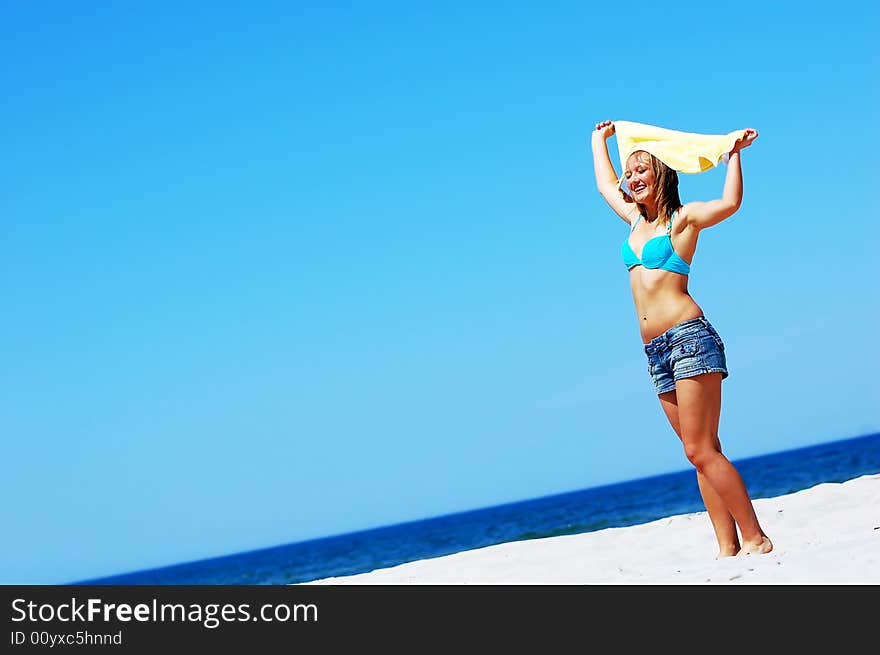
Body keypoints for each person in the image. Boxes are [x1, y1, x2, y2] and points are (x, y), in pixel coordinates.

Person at [590, 119, 773, 557]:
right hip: (655, 352)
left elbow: (730, 203)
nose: (631, 178)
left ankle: (756, 537)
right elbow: (604, 186)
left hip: (689, 339)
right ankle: (728, 546)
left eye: (641, 171)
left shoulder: (683, 219)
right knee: (700, 452)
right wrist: (598, 141)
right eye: (628, 172)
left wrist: (734, 156)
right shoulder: (634, 219)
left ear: (661, 175)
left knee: (700, 449)